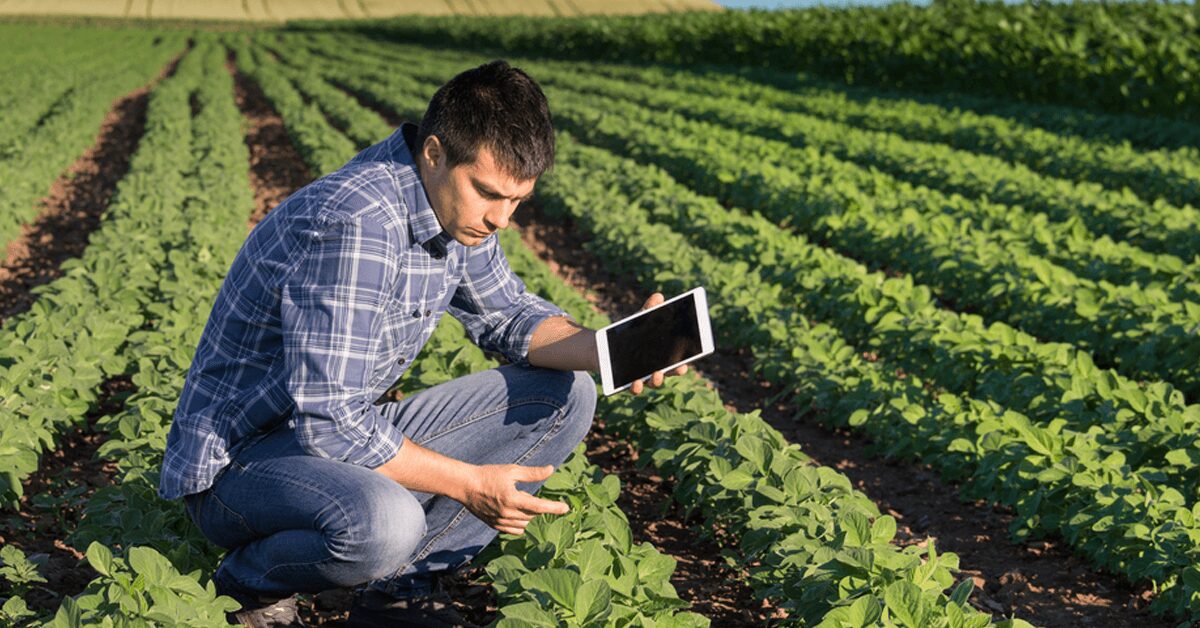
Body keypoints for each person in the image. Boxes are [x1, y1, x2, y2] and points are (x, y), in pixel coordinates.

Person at [157, 60, 685, 627]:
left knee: (566, 394)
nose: (501, 218)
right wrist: (470, 484)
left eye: (517, 201)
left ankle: (399, 591)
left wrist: (614, 346)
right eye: (489, 193)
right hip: (243, 468)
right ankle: (249, 586)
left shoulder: (454, 207)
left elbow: (507, 314)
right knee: (385, 523)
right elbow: (331, 424)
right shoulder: (358, 223)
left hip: (330, 439)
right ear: (434, 152)